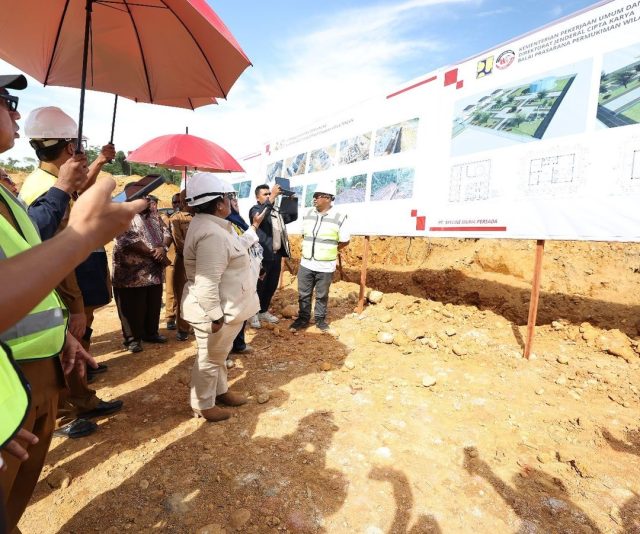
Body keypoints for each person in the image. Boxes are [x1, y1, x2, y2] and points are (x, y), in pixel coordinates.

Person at [0, 72, 146, 532]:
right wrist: (81, 236)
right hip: (16, 369)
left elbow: (25, 266)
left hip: (26, 366)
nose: (16, 112)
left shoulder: (7, 189)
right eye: (5, 101)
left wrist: (61, 330)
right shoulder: (35, 190)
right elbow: (49, 257)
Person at [21, 106, 122, 435]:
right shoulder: (46, 192)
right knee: (61, 356)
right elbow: (55, 259)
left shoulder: (46, 182)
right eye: (79, 147)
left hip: (60, 291)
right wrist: (75, 308)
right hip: (60, 294)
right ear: (69, 149)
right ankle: (68, 410)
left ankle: (80, 400)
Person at [181, 172, 261, 422]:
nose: (231, 202)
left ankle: (221, 391)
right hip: (216, 311)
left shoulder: (215, 226)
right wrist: (215, 316)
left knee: (218, 355)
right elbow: (206, 282)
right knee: (209, 357)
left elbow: (235, 248)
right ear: (218, 203)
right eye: (228, 197)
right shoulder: (211, 234)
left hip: (226, 307)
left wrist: (254, 229)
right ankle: (203, 404)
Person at [112, 178, 172, 353]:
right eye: (142, 196)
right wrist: (156, 253)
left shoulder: (153, 213)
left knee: (152, 303)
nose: (147, 199)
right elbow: (127, 240)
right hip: (131, 273)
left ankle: (151, 333)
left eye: (146, 195)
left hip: (153, 271)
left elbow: (166, 232)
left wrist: (163, 247)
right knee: (132, 306)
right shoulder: (121, 213)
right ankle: (132, 339)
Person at [290, 180, 350, 332]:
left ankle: (320, 320)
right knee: (303, 293)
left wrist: (328, 249)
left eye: (317, 196)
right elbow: (305, 235)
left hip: (325, 264)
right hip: (306, 263)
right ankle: (303, 319)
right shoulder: (308, 214)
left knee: (322, 295)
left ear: (328, 198)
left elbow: (344, 240)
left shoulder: (340, 216)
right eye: (314, 196)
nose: (314, 199)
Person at [249, 183, 297, 328]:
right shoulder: (256, 209)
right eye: (266, 194)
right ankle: (252, 313)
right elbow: (259, 218)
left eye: (270, 193)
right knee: (258, 286)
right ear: (258, 198)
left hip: (276, 255)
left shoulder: (276, 212)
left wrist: (292, 200)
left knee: (270, 285)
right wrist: (274, 196)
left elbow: (292, 216)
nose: (270, 195)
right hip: (262, 256)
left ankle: (263, 311)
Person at [226, 193, 264, 358]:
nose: (236, 203)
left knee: (242, 310)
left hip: (246, 272)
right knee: (230, 314)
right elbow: (240, 245)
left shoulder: (238, 221)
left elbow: (252, 244)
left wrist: (259, 267)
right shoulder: (224, 224)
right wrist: (254, 226)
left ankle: (239, 344)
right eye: (231, 200)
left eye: (236, 200)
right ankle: (225, 352)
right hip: (232, 276)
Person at [169, 189, 193, 341]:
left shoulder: (200, 217)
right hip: (184, 261)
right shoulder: (176, 219)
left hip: (200, 262)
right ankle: (183, 328)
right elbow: (179, 242)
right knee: (183, 294)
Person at [163, 193, 179, 331]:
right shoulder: (167, 219)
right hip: (171, 260)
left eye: (180, 201)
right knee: (170, 291)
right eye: (175, 202)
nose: (177, 204)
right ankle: (170, 318)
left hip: (185, 260)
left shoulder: (190, 218)